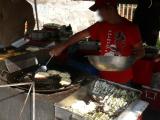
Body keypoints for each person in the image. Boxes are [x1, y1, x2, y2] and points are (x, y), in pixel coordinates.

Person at [50, 0, 145, 84]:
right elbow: (81, 35)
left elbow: (141, 51)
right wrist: (62, 46)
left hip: (123, 79)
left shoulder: (130, 28)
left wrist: (130, 60)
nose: (99, 14)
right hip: (104, 78)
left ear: (110, 8)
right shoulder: (100, 26)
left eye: (100, 10)